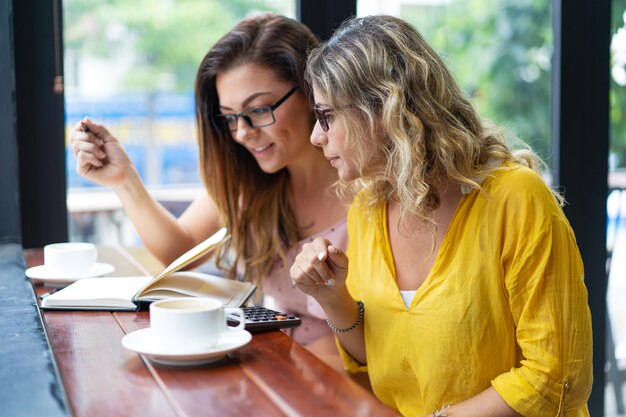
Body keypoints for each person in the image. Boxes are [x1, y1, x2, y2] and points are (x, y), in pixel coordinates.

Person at [291, 15, 593, 417]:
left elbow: (558, 377)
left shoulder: (515, 197)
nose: (315, 136)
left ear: (383, 108)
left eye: (326, 116)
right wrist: (331, 297)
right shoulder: (368, 208)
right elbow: (383, 355)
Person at [70, 14, 347, 347]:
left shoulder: (366, 188)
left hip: (341, 382)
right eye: (230, 117)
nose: (243, 132)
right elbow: (179, 249)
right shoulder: (253, 183)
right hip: (278, 366)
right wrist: (123, 178)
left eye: (258, 110)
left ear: (310, 92)